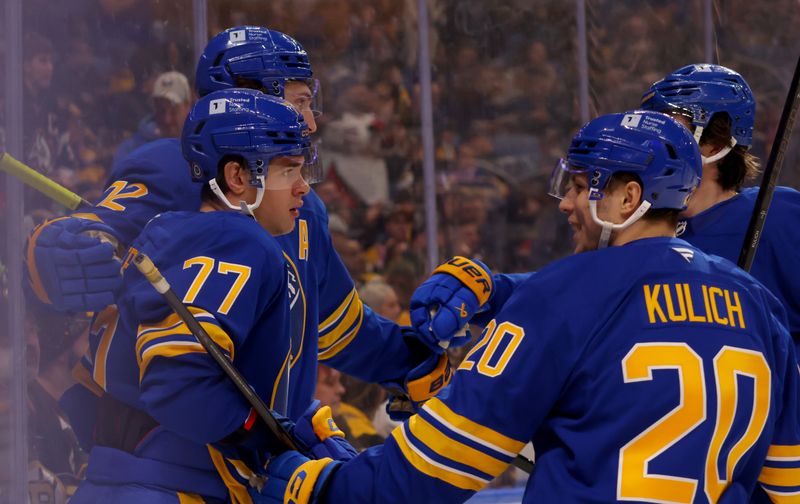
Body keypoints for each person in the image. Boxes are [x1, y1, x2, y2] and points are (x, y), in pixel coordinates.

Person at [260, 111, 800, 503]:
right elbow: (786, 484)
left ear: (629, 199)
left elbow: (439, 463)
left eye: (583, 185)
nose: (565, 202)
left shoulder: (563, 292)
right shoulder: (758, 307)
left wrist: (329, 487)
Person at [29, 25, 449, 448]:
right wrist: (57, 248)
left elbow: (336, 326)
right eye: (298, 101)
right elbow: (100, 230)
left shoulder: (304, 209)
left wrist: (408, 361)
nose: (308, 121)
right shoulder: (175, 168)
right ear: (244, 95)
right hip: (158, 446)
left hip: (256, 456)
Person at [71, 88, 354, 503]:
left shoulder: (169, 230)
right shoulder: (239, 240)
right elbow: (180, 384)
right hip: (171, 488)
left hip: (124, 480)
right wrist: (266, 441)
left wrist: (294, 420)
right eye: (287, 171)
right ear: (237, 177)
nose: (302, 189)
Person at [639, 63, 800, 351]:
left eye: (670, 126)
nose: (651, 140)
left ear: (713, 145)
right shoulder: (646, 231)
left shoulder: (777, 216)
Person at [112, 70, 193, 166]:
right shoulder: (131, 150)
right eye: (161, 111)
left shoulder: (203, 145)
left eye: (174, 112)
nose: (167, 120)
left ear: (188, 106)